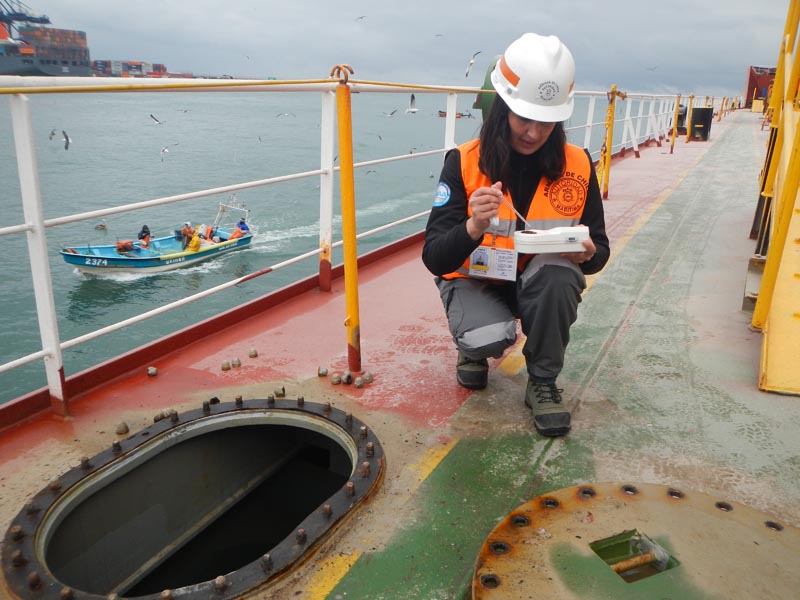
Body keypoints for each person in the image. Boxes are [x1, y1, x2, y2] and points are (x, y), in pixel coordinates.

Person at [422, 33, 610, 437]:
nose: (534, 132)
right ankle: (471, 349)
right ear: (503, 107)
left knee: (561, 277)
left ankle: (542, 382)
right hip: (478, 280)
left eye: (546, 122)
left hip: (537, 283)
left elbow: (600, 249)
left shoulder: (578, 164)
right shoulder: (464, 162)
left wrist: (588, 254)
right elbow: (435, 256)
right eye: (525, 118)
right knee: (487, 336)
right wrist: (473, 226)